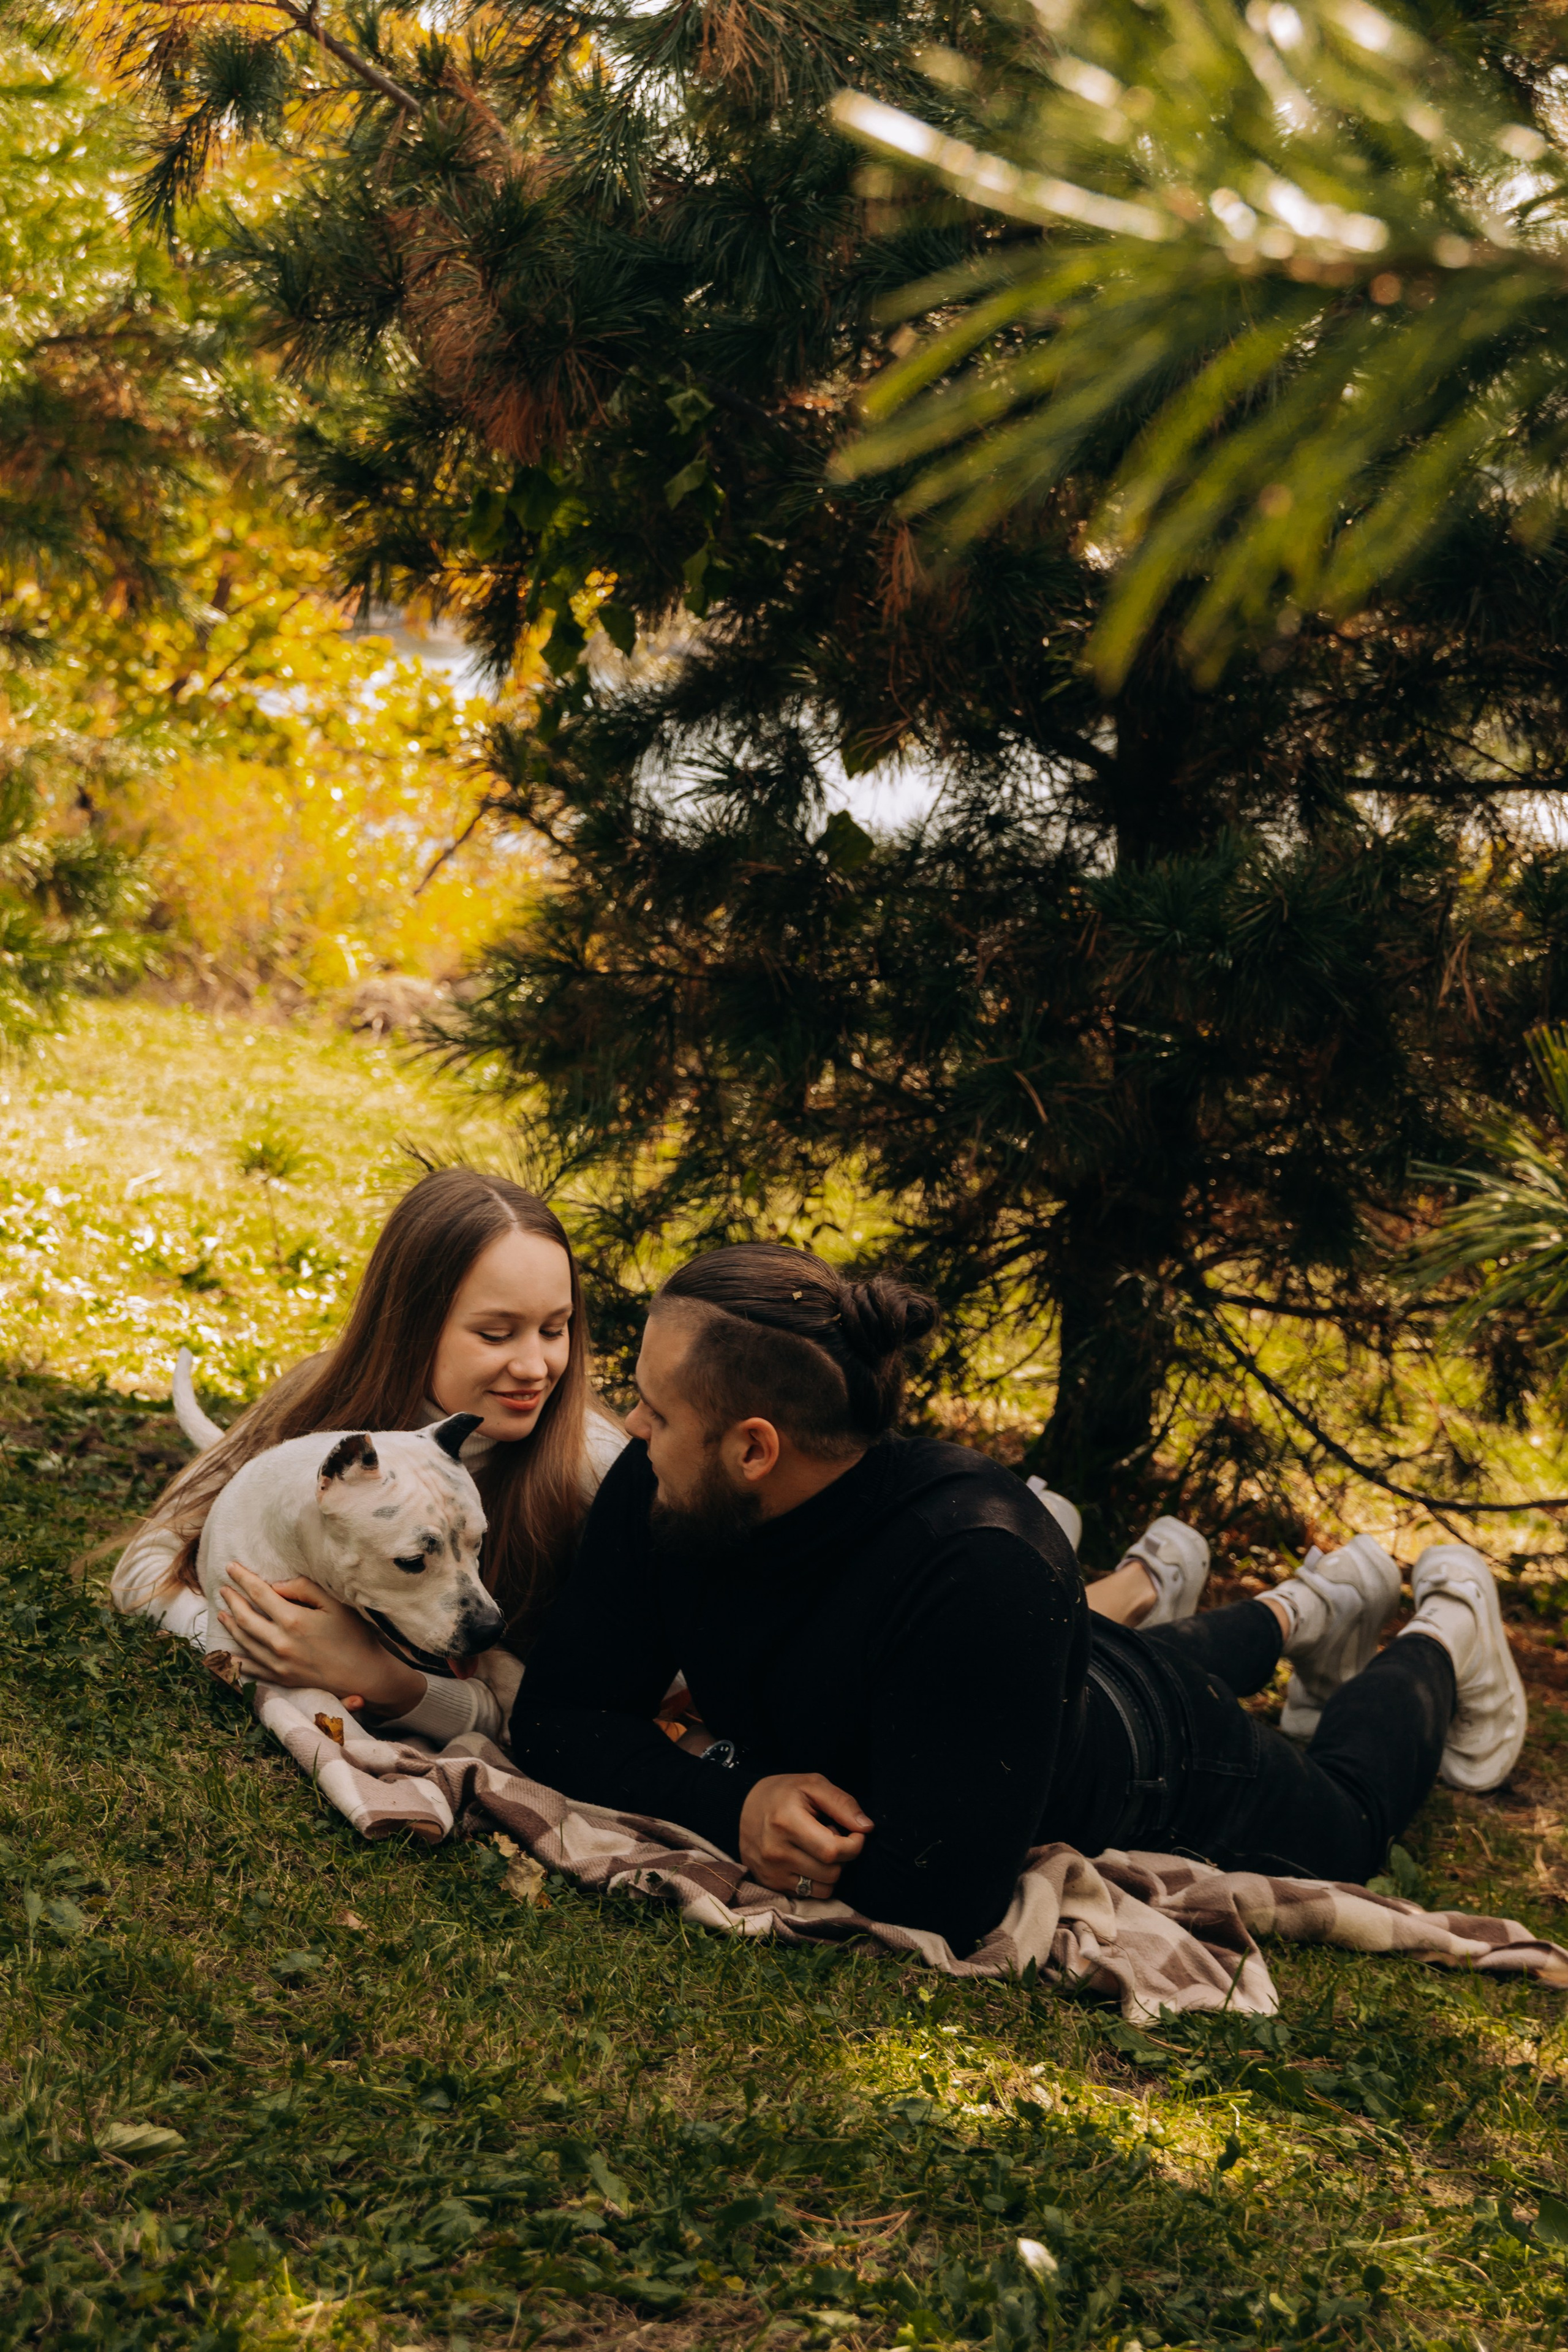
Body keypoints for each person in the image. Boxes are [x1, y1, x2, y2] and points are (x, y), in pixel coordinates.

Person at [510, 1243, 1528, 1956]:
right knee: (1126, 1652)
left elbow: (940, 1891)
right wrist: (733, 1797)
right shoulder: (665, 1487)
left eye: (655, 1407)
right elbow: (556, 1719)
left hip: (1148, 1758)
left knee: (1348, 1826)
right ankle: (1310, 1608)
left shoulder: (979, 1564)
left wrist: (712, 1770)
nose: (630, 1427)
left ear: (753, 1449)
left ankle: (1442, 1632)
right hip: (1032, 1675)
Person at [111, 1167, 625, 1738]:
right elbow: (142, 1568)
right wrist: (256, 1643)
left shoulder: (594, 1467)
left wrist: (384, 1682)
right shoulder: (316, 1403)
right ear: (413, 1325)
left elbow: (595, 1718)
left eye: (555, 1330)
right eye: (496, 1334)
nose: (534, 1368)